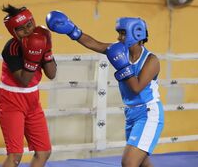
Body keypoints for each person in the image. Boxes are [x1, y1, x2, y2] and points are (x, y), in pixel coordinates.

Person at [46, 11, 164, 167]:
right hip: (131, 113)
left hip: (149, 113)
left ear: (137, 33)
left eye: (123, 33)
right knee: (142, 163)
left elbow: (136, 88)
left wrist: (123, 66)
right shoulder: (119, 50)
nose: (119, 38)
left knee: (129, 162)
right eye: (119, 33)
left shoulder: (151, 60)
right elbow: (93, 43)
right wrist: (71, 30)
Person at [0, 4, 57, 167]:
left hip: (32, 100)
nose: (28, 30)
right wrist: (33, 56)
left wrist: (46, 51)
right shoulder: (11, 48)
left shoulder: (41, 39)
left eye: (29, 25)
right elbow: (23, 80)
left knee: (44, 151)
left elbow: (51, 74)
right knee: (15, 155)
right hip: (11, 100)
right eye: (21, 29)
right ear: (13, 32)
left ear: (34, 21)